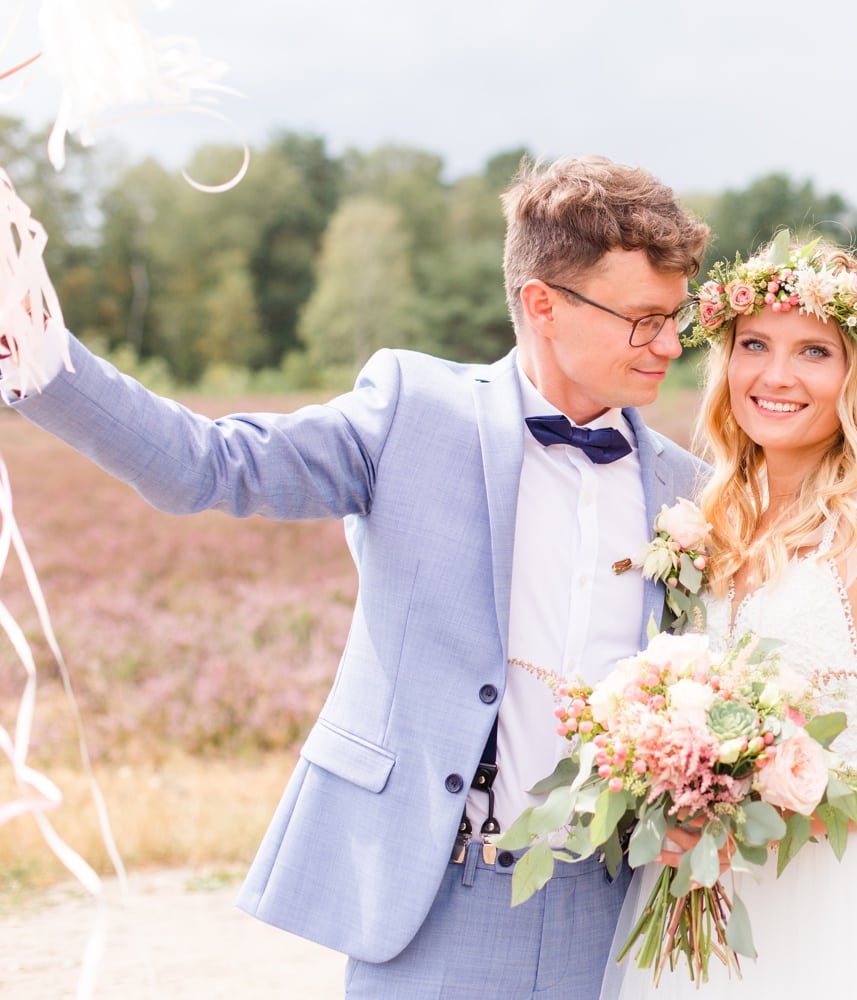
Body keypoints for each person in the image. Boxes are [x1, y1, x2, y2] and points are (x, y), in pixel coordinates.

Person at [1, 155, 710, 999]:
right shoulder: (414, 410)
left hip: (621, 911)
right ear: (543, 304)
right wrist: (33, 351)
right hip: (435, 897)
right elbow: (209, 466)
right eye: (642, 319)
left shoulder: (689, 490)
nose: (669, 344)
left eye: (676, 316)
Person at [602, 235, 857, 997]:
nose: (776, 376)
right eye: (754, 345)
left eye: (814, 351)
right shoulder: (701, 523)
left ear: (856, 376)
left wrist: (767, 821)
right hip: (687, 898)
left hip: (833, 899)